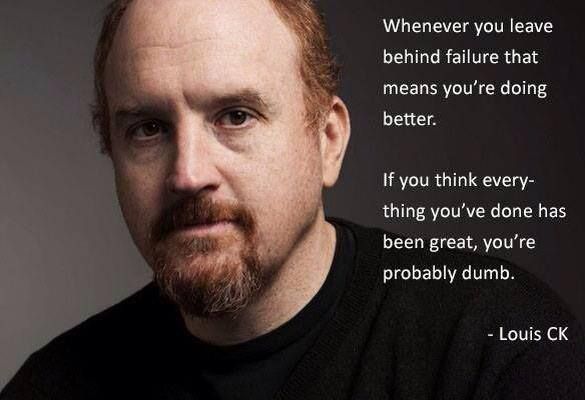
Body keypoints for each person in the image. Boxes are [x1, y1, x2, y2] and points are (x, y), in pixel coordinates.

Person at [2, 0, 584, 399]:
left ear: (328, 140)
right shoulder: (53, 387)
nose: (188, 174)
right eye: (148, 129)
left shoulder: (499, 350)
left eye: (236, 116)